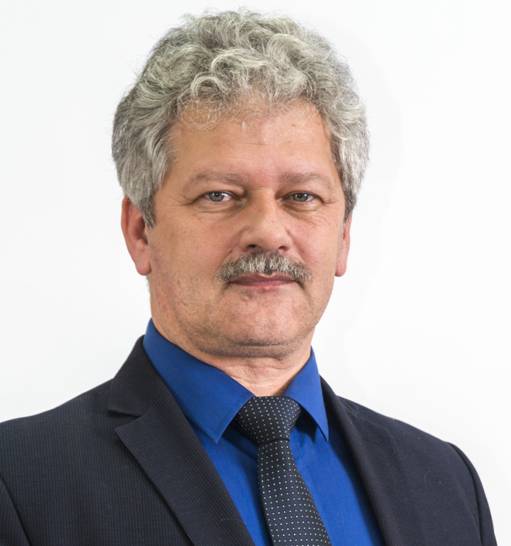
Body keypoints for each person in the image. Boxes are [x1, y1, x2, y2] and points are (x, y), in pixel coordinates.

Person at [0, 9, 497, 546]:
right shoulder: (20, 483)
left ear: (343, 236)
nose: (267, 232)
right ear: (141, 230)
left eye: (301, 196)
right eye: (219, 195)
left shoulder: (446, 483)